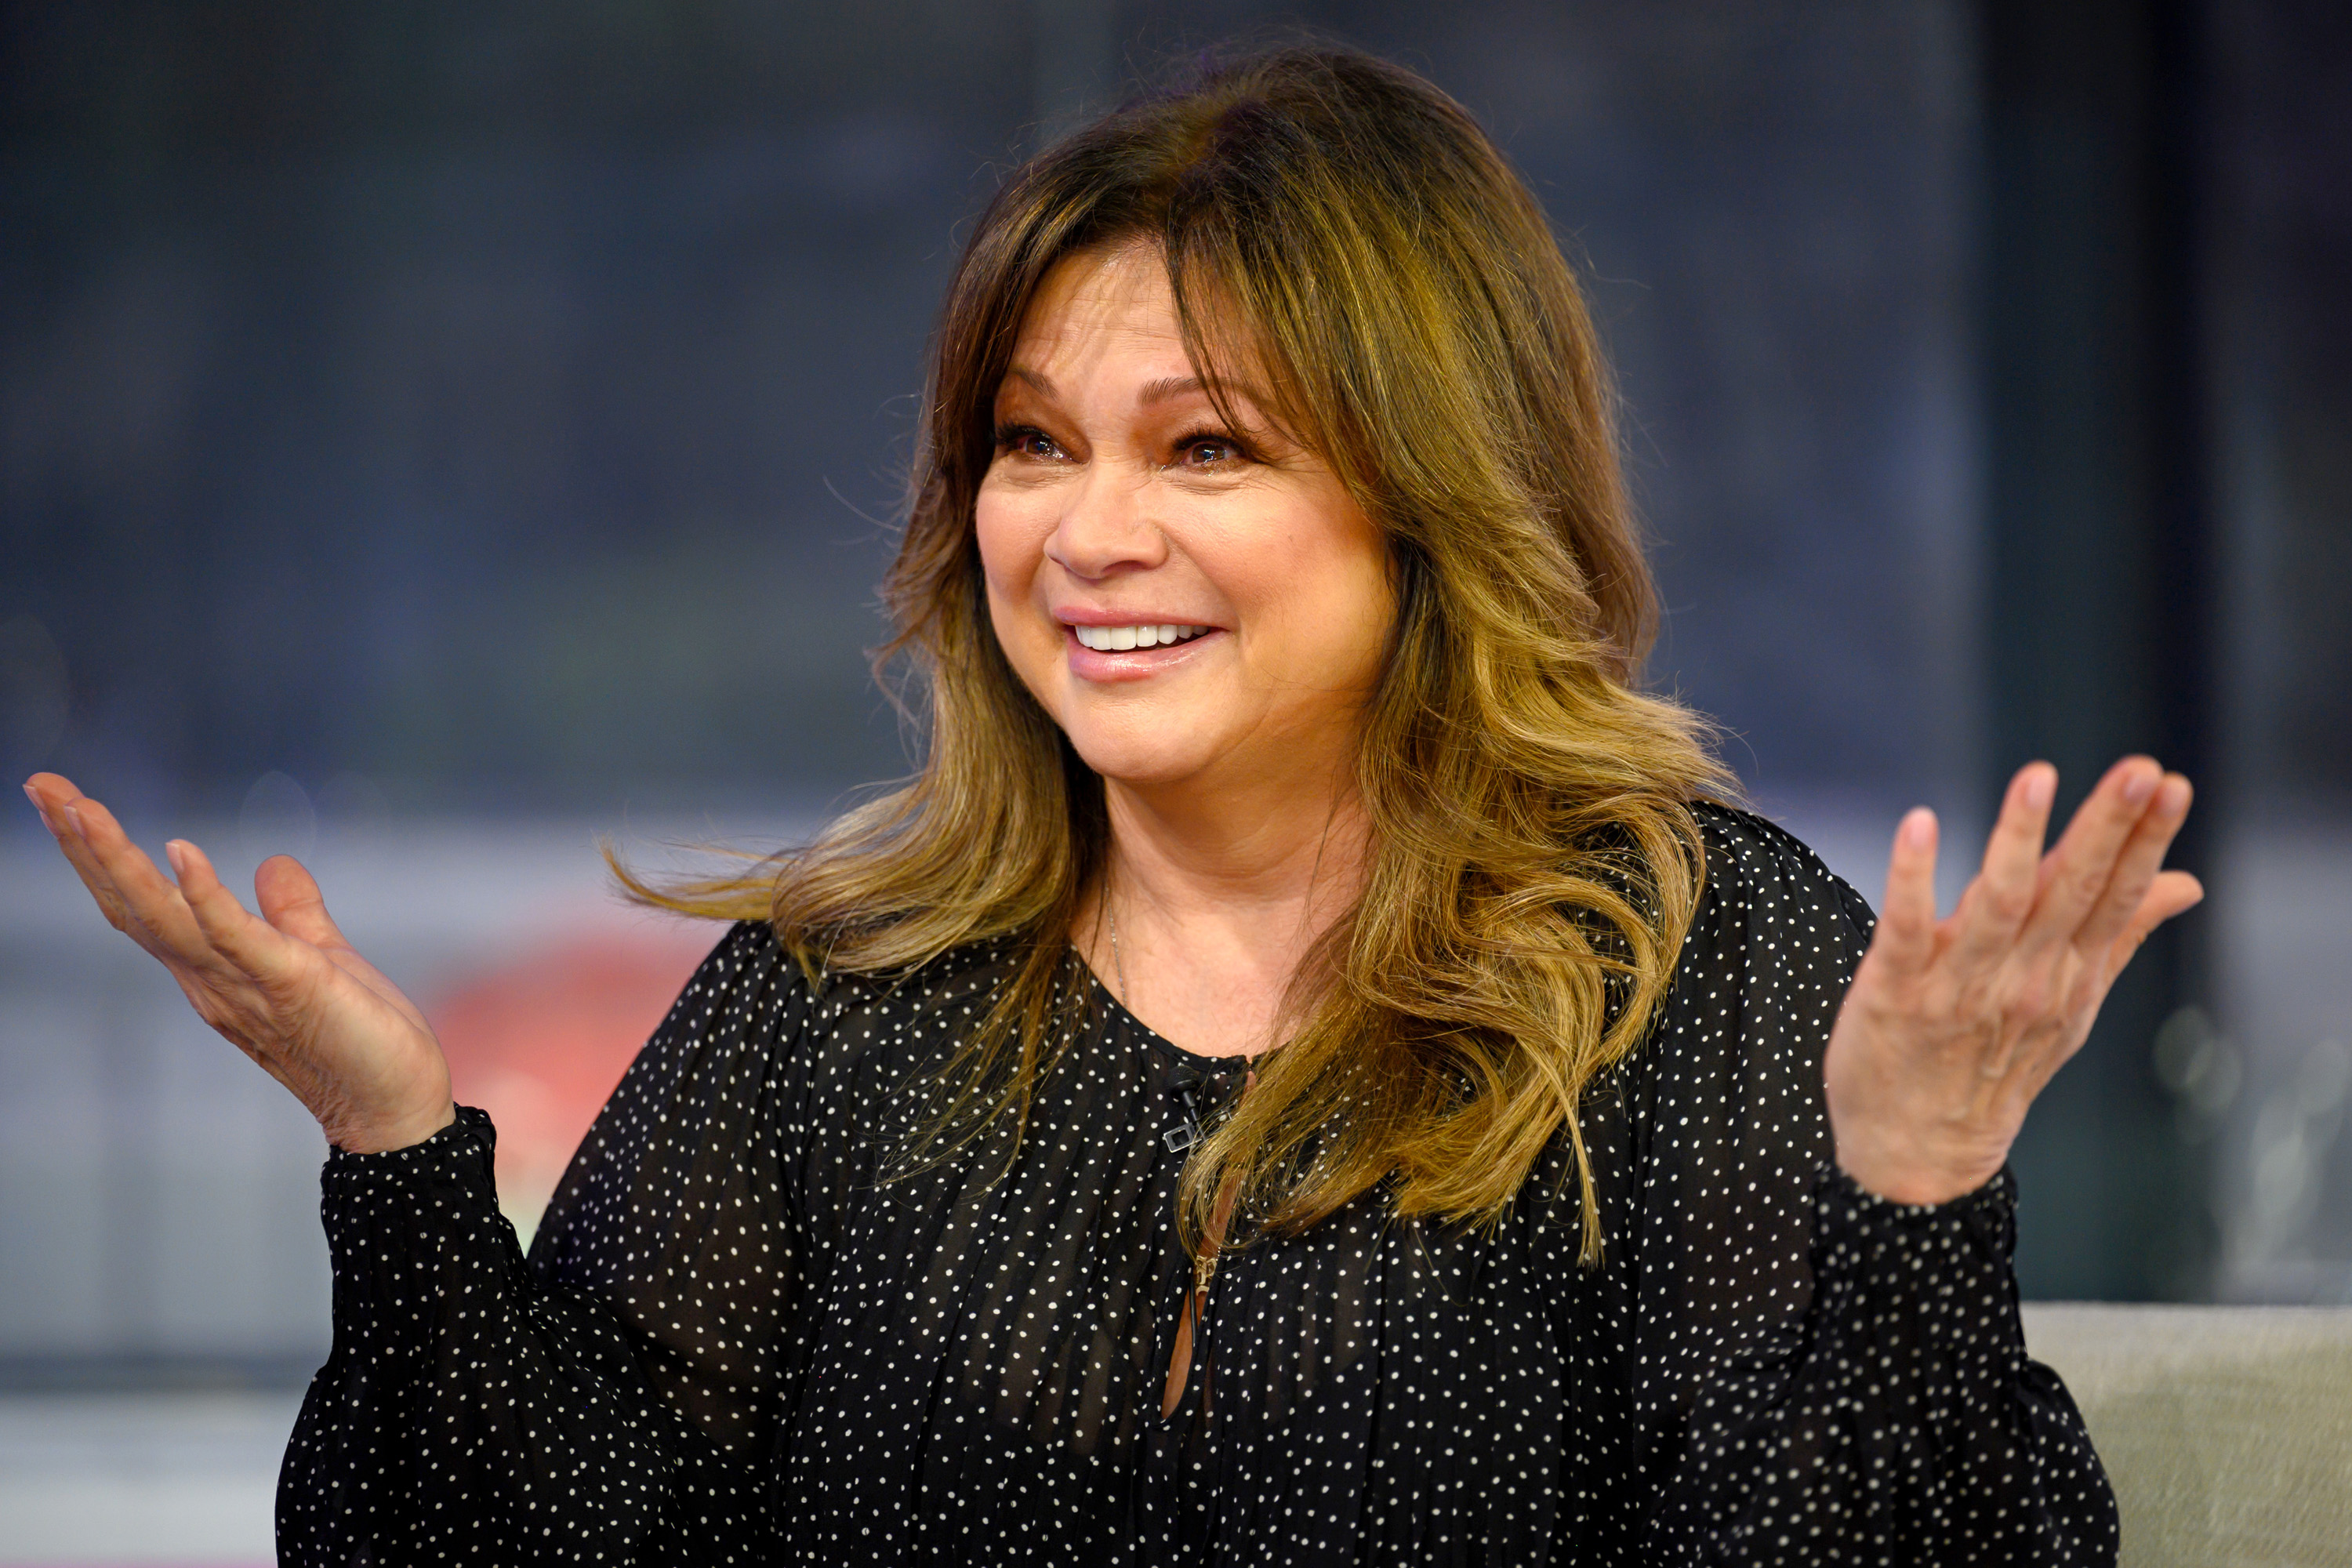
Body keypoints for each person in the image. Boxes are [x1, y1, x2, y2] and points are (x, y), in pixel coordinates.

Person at [23, 45, 2198, 1567]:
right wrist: (402, 1157)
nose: (1086, 534)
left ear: (1432, 504)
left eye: (1208, 450)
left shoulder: (1690, 963)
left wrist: (1914, 1186)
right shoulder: (839, 996)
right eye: (1034, 443)